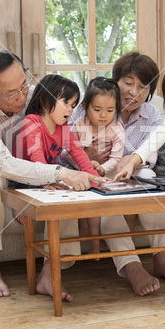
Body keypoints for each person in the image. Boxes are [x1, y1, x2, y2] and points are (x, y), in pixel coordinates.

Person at [0, 51, 102, 300]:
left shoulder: (37, 95)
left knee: (68, 185)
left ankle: (49, 272)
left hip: (30, 175)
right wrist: (59, 172)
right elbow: (2, 163)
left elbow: (67, 122)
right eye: (12, 93)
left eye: (23, 85)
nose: (23, 96)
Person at [69, 51, 165, 296]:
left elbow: (152, 154)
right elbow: (65, 149)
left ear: (150, 90)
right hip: (96, 175)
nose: (134, 92)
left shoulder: (152, 114)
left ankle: (163, 257)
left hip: (133, 173)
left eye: (143, 86)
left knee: (148, 179)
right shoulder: (92, 106)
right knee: (109, 199)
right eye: (128, 83)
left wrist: (132, 161)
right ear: (115, 82)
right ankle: (131, 266)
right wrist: (89, 159)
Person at [12, 73, 101, 254]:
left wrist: (96, 179)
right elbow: (36, 157)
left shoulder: (63, 127)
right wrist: (47, 182)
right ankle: (20, 205)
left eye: (73, 105)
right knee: (57, 185)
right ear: (46, 100)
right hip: (27, 175)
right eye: (65, 103)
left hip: (52, 172)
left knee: (77, 176)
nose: (70, 110)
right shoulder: (32, 122)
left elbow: (78, 154)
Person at [60, 76, 125, 254]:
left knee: (96, 199)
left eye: (110, 110)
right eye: (97, 109)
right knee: (80, 196)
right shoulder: (79, 125)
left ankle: (95, 242)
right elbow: (65, 153)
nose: (103, 115)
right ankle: (85, 233)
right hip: (79, 172)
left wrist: (102, 168)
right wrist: (82, 158)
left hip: (105, 174)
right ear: (86, 107)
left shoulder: (117, 129)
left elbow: (116, 158)